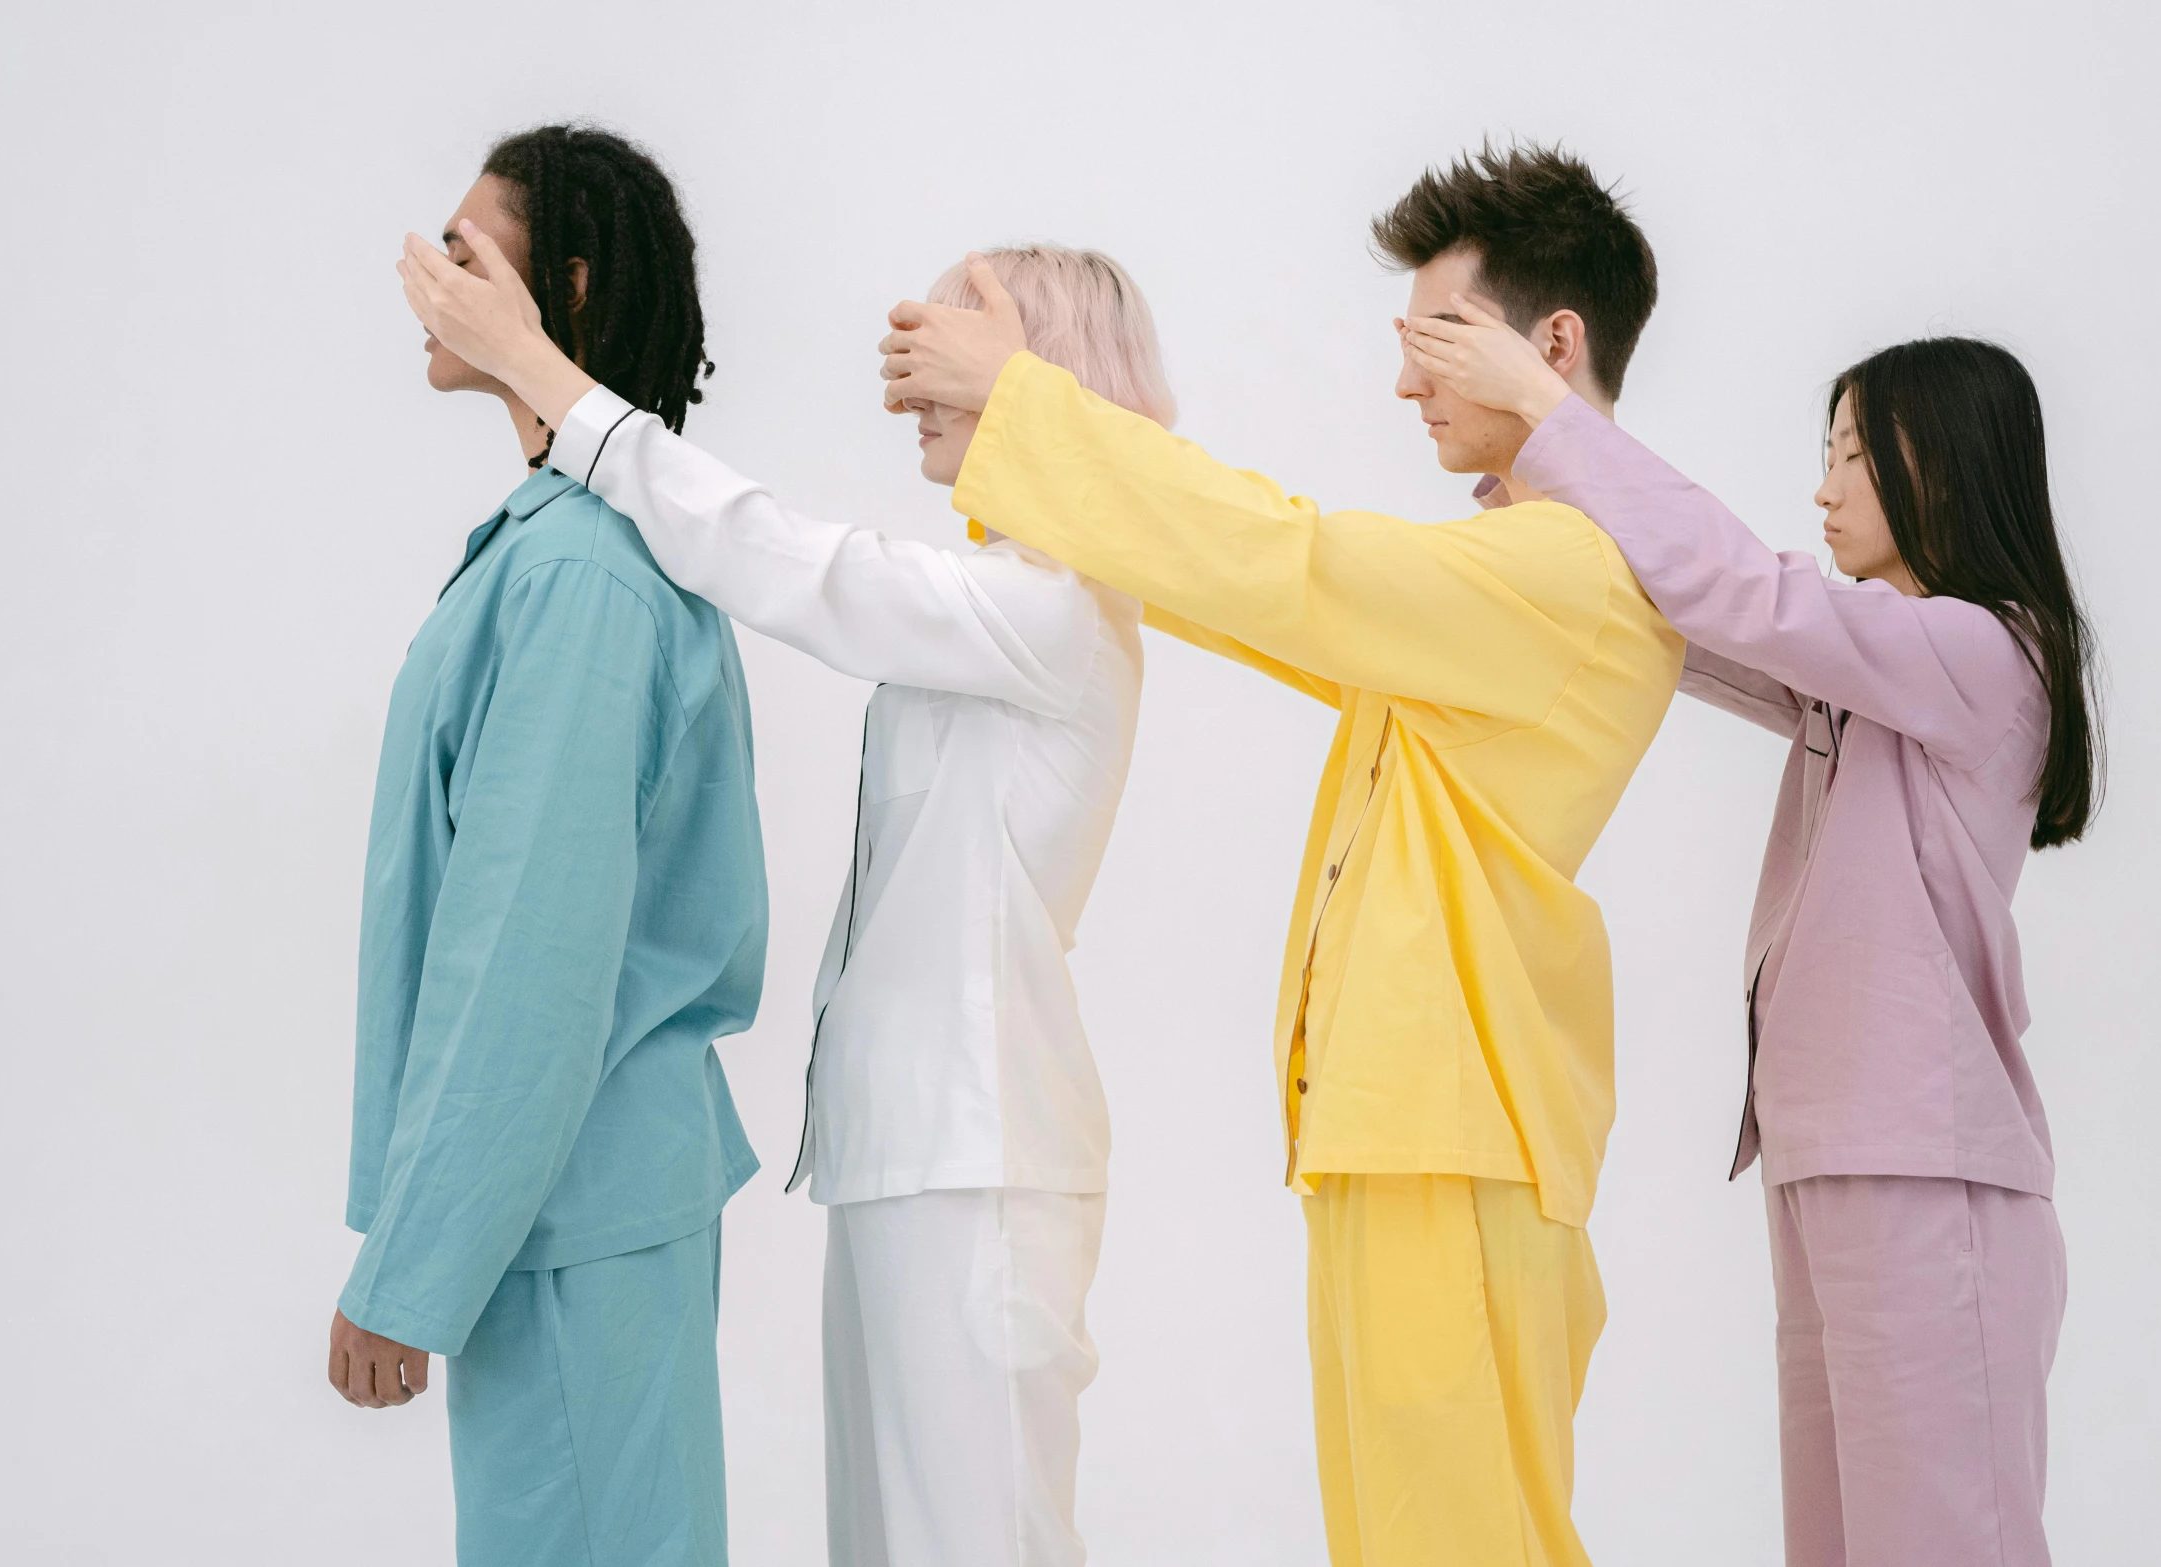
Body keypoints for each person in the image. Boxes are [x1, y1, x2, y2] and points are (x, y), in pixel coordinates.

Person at [878, 144, 1682, 1567]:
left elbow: (1288, 565)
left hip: (1453, 1135)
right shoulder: (1505, 575)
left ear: (1552, 344)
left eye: (1435, 336)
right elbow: (1261, 599)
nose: (1402, 381)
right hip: (1409, 1132)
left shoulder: (1562, 571)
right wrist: (1037, 469)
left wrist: (1028, 408)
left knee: (1458, 1540)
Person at [399, 234, 1176, 1567]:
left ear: (1045, 380)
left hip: (976, 1159)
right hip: (901, 1155)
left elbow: (789, 564)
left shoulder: (1051, 611)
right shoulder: (1003, 601)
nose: (906, 372)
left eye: (950, 339)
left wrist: (545, 374)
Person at [1401, 308, 2097, 1566]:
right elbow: (1699, 626)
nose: (1821, 490)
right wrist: (1543, 497)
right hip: (1831, 1153)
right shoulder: (1888, 672)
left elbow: (1743, 593)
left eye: (1848, 455)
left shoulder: (1982, 652)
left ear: (1935, 462)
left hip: (1923, 1168)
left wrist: (1559, 423)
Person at [336, 124, 765, 1567]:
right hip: (563, 1205)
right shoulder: (558, 545)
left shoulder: (582, 572)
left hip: (564, 1203)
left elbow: (528, 948)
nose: (425, 278)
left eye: (464, 252)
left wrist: (412, 1265)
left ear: (563, 290)